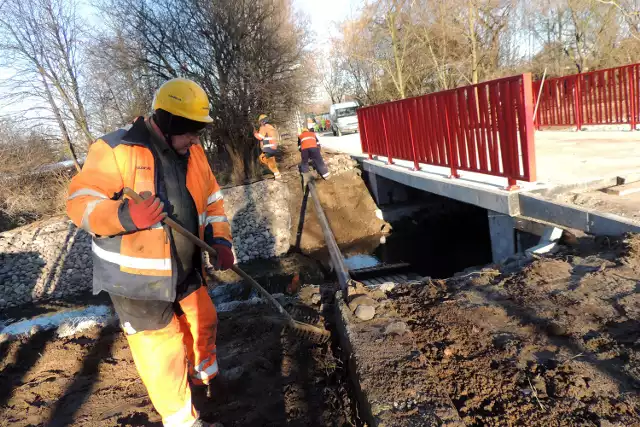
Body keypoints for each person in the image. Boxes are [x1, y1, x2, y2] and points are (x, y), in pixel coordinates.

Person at [66, 78, 233, 427]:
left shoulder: (194, 152)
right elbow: (79, 203)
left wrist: (220, 240)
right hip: (137, 280)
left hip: (186, 267)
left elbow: (213, 201)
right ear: (169, 122)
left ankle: (206, 379)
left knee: (204, 320)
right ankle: (182, 420)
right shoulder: (116, 149)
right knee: (163, 352)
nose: (196, 140)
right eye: (190, 132)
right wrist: (125, 216)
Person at [254, 114, 281, 179]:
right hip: (273, 148)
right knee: (262, 157)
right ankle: (277, 174)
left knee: (270, 163)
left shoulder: (263, 127)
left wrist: (255, 133)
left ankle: (277, 175)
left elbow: (260, 137)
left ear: (262, 121)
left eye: (260, 121)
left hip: (268, 148)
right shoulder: (271, 127)